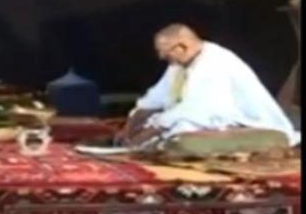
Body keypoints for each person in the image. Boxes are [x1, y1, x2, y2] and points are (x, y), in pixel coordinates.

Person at [118, 23, 300, 147]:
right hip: (201, 119)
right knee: (160, 126)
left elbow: (198, 111)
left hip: (242, 123)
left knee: (182, 130)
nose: (161, 58)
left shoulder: (214, 62)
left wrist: (153, 130)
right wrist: (131, 126)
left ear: (182, 47)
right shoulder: (179, 65)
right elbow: (154, 99)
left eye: (165, 53)